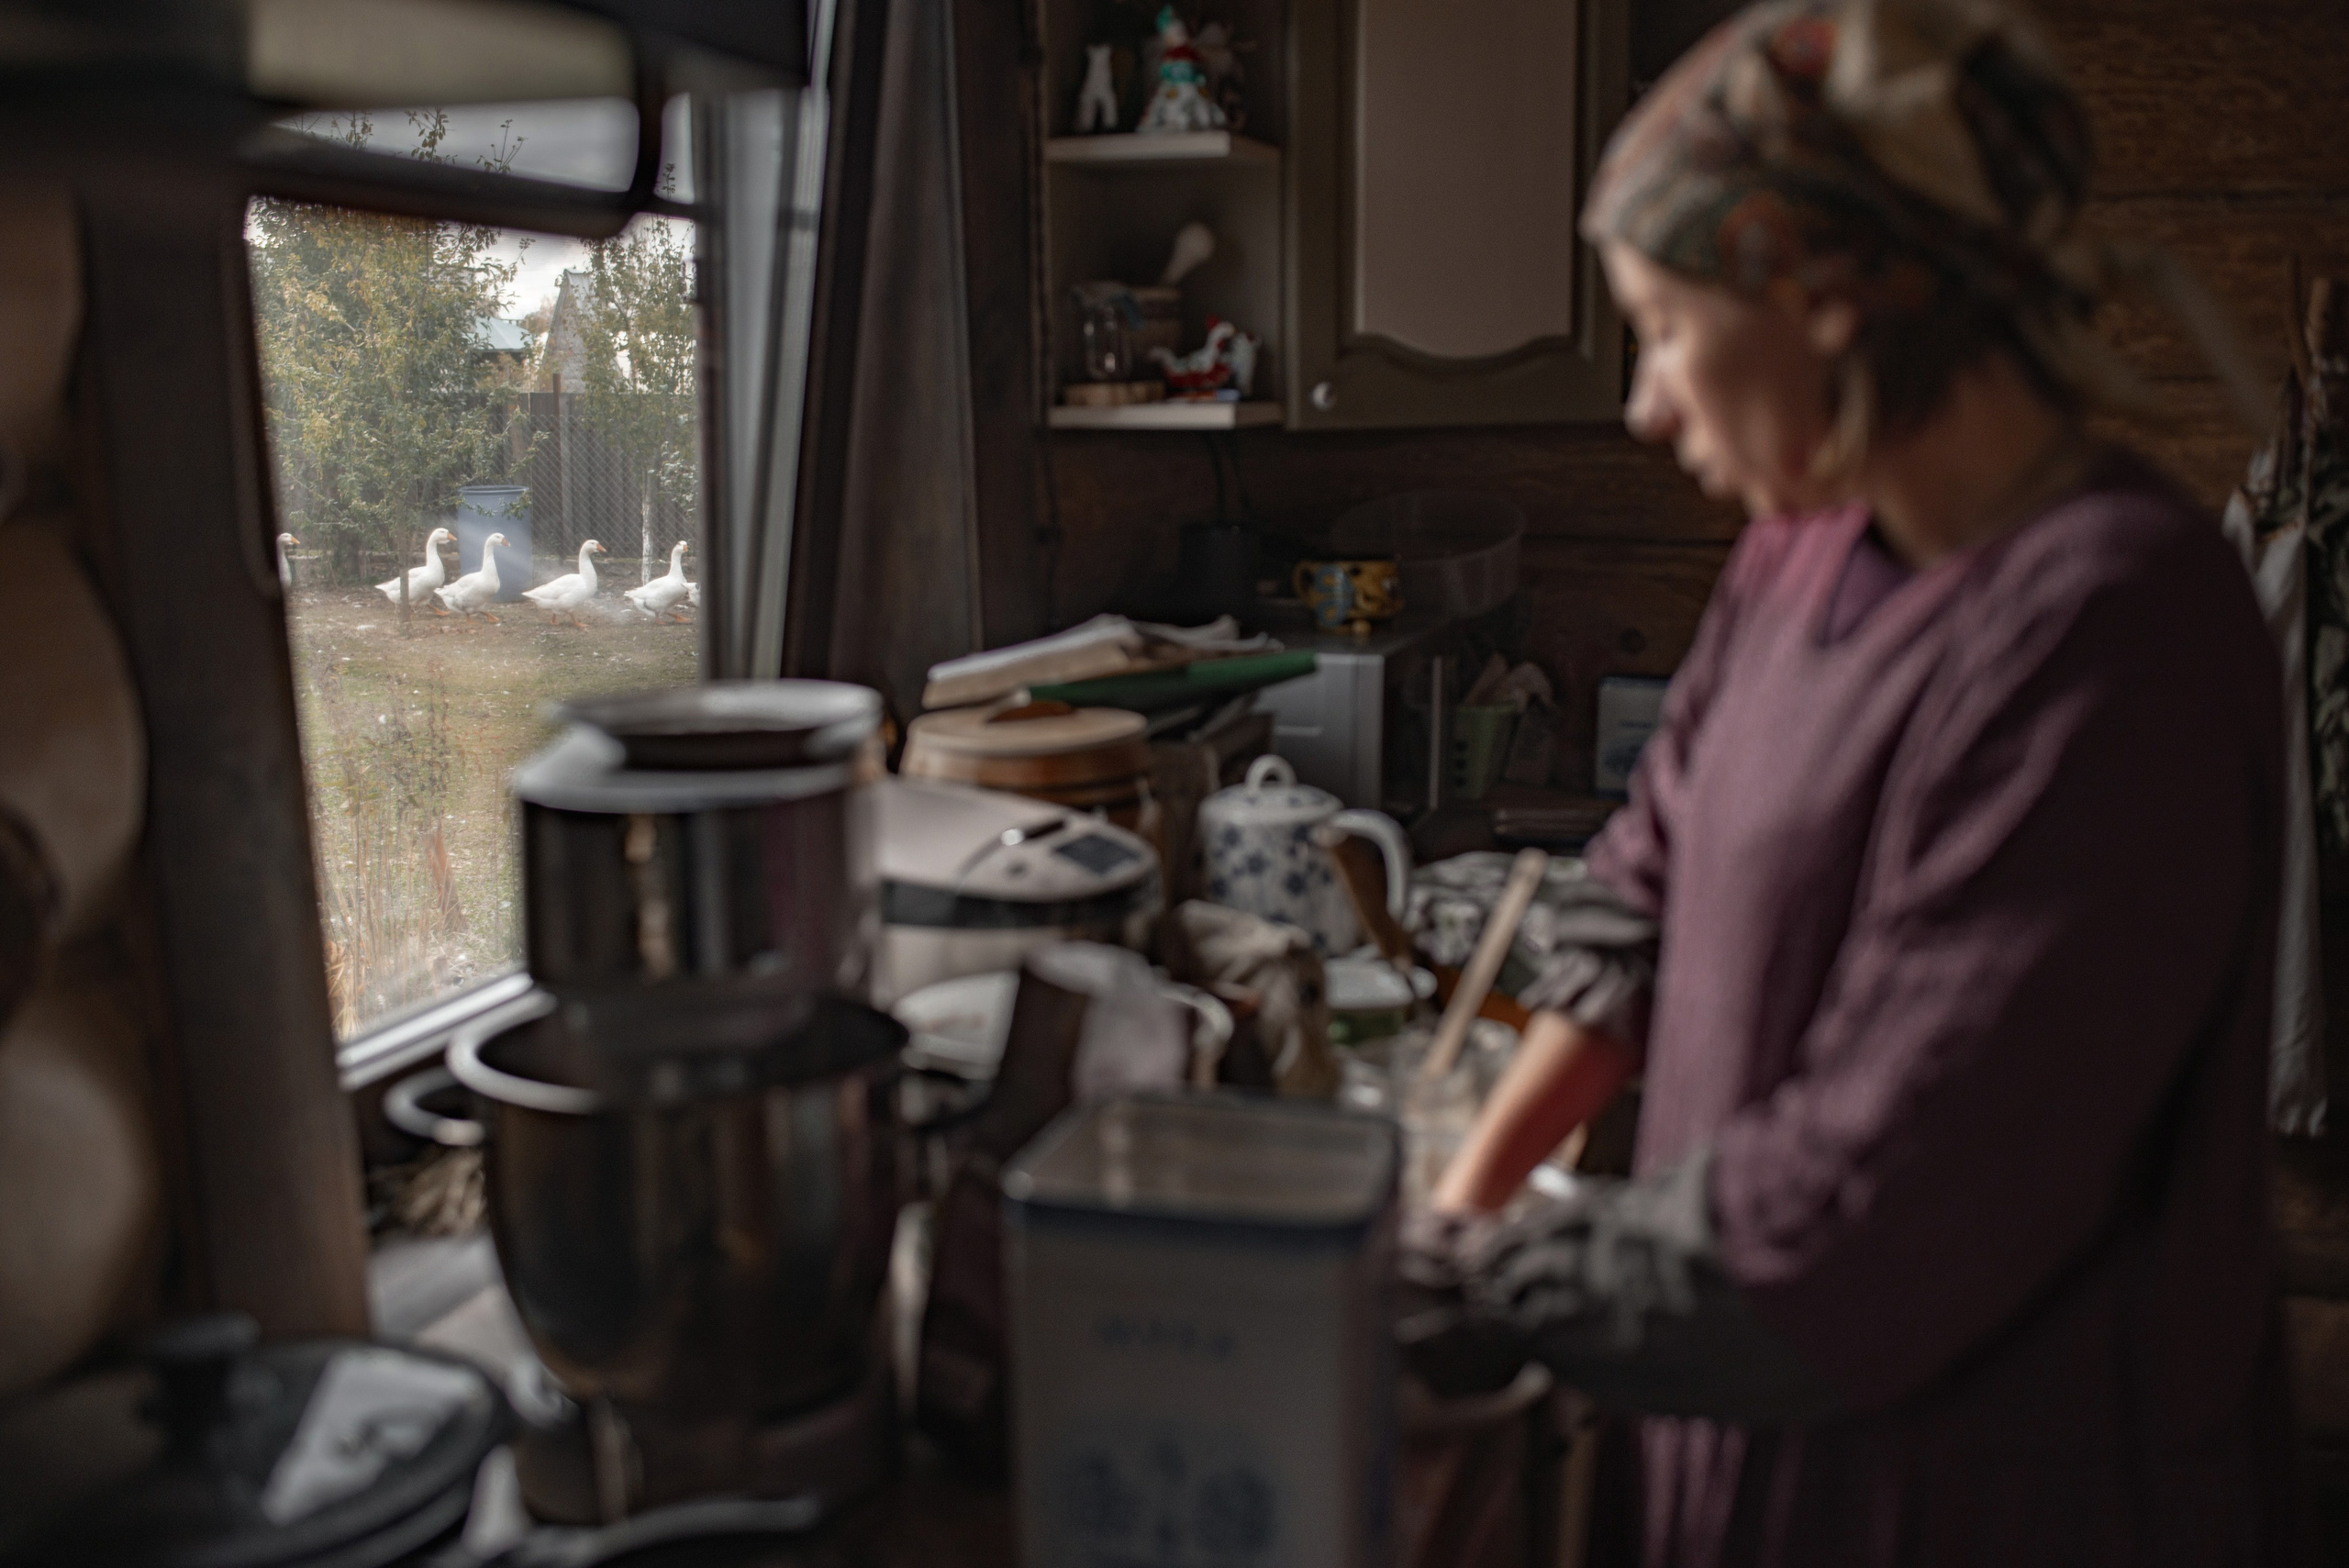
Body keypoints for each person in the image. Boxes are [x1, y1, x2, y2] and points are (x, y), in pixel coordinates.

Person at [1397, 1, 2299, 1563]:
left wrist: (1466, 1292)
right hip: (1734, 1432)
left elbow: (1878, 1215)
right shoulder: (1796, 550)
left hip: (1990, 1495)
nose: (1647, 405)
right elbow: (1635, 906)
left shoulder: (2116, 628)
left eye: (1665, 327)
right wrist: (1460, 1212)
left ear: (1819, 295)